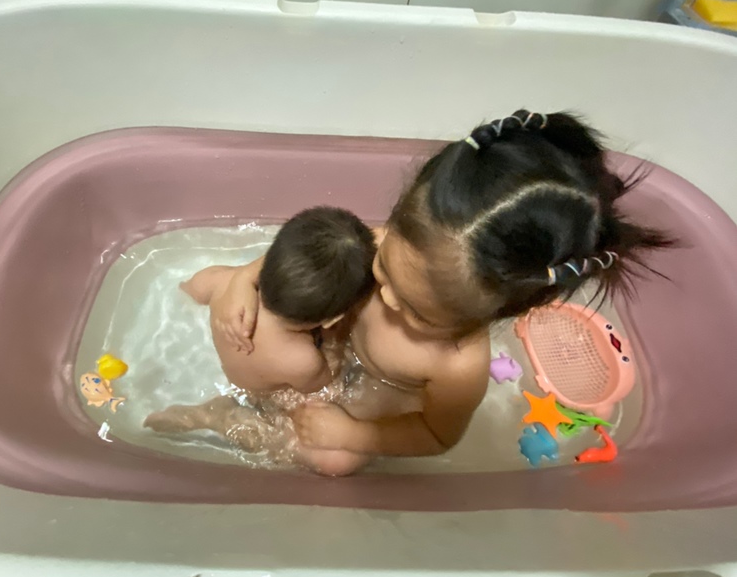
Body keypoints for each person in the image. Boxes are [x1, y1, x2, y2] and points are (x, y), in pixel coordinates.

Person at [210, 110, 672, 463]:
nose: (386, 295)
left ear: (491, 313)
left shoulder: (458, 368)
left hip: (383, 394)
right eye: (384, 269)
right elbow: (319, 253)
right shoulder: (397, 243)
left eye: (417, 311)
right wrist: (245, 279)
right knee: (230, 288)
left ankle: (224, 420)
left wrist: (355, 434)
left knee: (334, 462)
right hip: (331, 349)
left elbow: (435, 436)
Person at [144, 206, 377, 475]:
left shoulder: (226, 283)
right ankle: (219, 416)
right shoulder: (302, 360)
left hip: (235, 359)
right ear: (331, 320)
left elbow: (193, 289)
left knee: (202, 283)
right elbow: (323, 382)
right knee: (322, 430)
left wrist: (233, 281)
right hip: (261, 394)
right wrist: (336, 345)